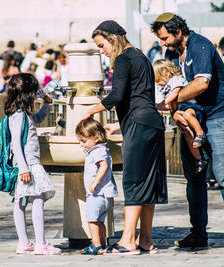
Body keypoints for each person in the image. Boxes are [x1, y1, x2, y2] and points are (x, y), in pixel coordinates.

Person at [151, 13, 224, 249]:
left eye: (165, 38)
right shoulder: (171, 54)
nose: (162, 43)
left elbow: (201, 83)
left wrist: (171, 103)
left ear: (177, 32)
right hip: (194, 115)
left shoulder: (200, 45)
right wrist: (175, 109)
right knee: (194, 176)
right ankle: (198, 233)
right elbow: (172, 86)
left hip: (221, 112)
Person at [81, 20, 167, 255]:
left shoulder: (122, 59)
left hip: (139, 125)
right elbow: (141, 98)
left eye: (102, 45)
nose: (102, 50)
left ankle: (129, 240)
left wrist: (91, 110)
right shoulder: (140, 56)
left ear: (112, 39)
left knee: (135, 181)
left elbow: (117, 95)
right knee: (149, 183)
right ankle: (146, 240)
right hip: (152, 123)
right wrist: (119, 125)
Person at [4, 73, 61, 255]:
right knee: (37, 200)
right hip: (28, 164)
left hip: (26, 164)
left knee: (21, 202)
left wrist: (48, 102)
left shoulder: (21, 113)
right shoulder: (18, 115)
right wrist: (24, 168)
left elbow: (37, 119)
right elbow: (16, 143)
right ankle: (40, 243)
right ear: (28, 93)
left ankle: (24, 243)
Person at [153, 59, 207, 172]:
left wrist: (162, 103)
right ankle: (199, 158)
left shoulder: (175, 80)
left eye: (158, 80)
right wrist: (156, 105)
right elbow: (165, 105)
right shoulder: (162, 87)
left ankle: (200, 133)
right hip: (180, 108)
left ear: (166, 73)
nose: (158, 83)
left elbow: (175, 93)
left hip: (191, 106)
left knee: (188, 115)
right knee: (186, 132)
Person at [75, 118, 118, 255]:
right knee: (100, 220)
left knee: (92, 219)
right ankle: (104, 243)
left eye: (84, 141)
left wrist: (94, 182)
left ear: (96, 138)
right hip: (106, 195)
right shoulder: (102, 148)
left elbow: (103, 166)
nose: (82, 145)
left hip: (97, 194)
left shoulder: (97, 151)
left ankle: (96, 244)